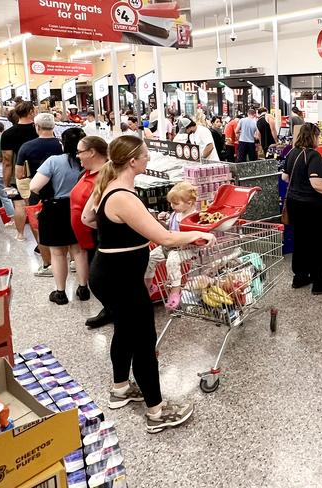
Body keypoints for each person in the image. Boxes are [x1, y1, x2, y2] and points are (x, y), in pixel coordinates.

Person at [82, 135, 215, 433]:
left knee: (125, 332)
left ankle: (120, 389)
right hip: (121, 279)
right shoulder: (123, 197)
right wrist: (201, 235)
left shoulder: (107, 187)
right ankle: (157, 411)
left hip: (109, 272)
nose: (149, 159)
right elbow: (166, 237)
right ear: (132, 160)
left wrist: (121, 232)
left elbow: (88, 217)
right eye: (145, 156)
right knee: (143, 341)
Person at [282, 123, 322, 294]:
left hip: (295, 205)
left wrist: (299, 184)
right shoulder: (313, 156)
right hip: (313, 207)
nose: (319, 139)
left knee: (302, 241)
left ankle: (300, 277)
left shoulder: (292, 153)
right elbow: (317, 183)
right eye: (317, 136)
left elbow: (285, 176)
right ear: (312, 137)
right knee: (321, 243)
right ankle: (319, 282)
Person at [30, 128, 88, 305]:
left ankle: (61, 292)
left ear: (62, 142)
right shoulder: (86, 162)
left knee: (57, 253)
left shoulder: (53, 161)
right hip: (80, 208)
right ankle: (83, 288)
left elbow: (34, 186)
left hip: (55, 209)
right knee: (79, 250)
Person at [70, 136, 113, 328]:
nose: (77, 155)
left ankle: (112, 309)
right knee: (97, 278)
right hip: (87, 238)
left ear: (92, 152)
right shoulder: (85, 173)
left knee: (100, 280)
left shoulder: (107, 176)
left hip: (100, 236)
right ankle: (110, 308)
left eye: (80, 152)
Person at [17, 113, 63, 274]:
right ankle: (70, 260)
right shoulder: (61, 144)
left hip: (38, 192)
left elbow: (19, 173)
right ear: (54, 126)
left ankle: (47, 264)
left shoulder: (27, 147)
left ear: (36, 127)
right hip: (62, 191)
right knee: (65, 225)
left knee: (39, 228)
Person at [144, 182, 199, 310]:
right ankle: (149, 286)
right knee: (149, 257)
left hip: (187, 250)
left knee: (172, 260)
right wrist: (161, 221)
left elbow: (197, 235)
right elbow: (168, 228)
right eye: (171, 203)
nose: (171, 206)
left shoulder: (195, 217)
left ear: (189, 203)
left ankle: (175, 291)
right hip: (170, 246)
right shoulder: (175, 214)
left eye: (175, 203)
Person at [1, 101, 38, 241]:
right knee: (35, 204)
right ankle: (40, 234)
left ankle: (20, 234)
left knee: (19, 204)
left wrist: (6, 182)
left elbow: (6, 160)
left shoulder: (8, 133)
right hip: (39, 172)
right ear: (31, 112)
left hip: (18, 172)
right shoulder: (38, 129)